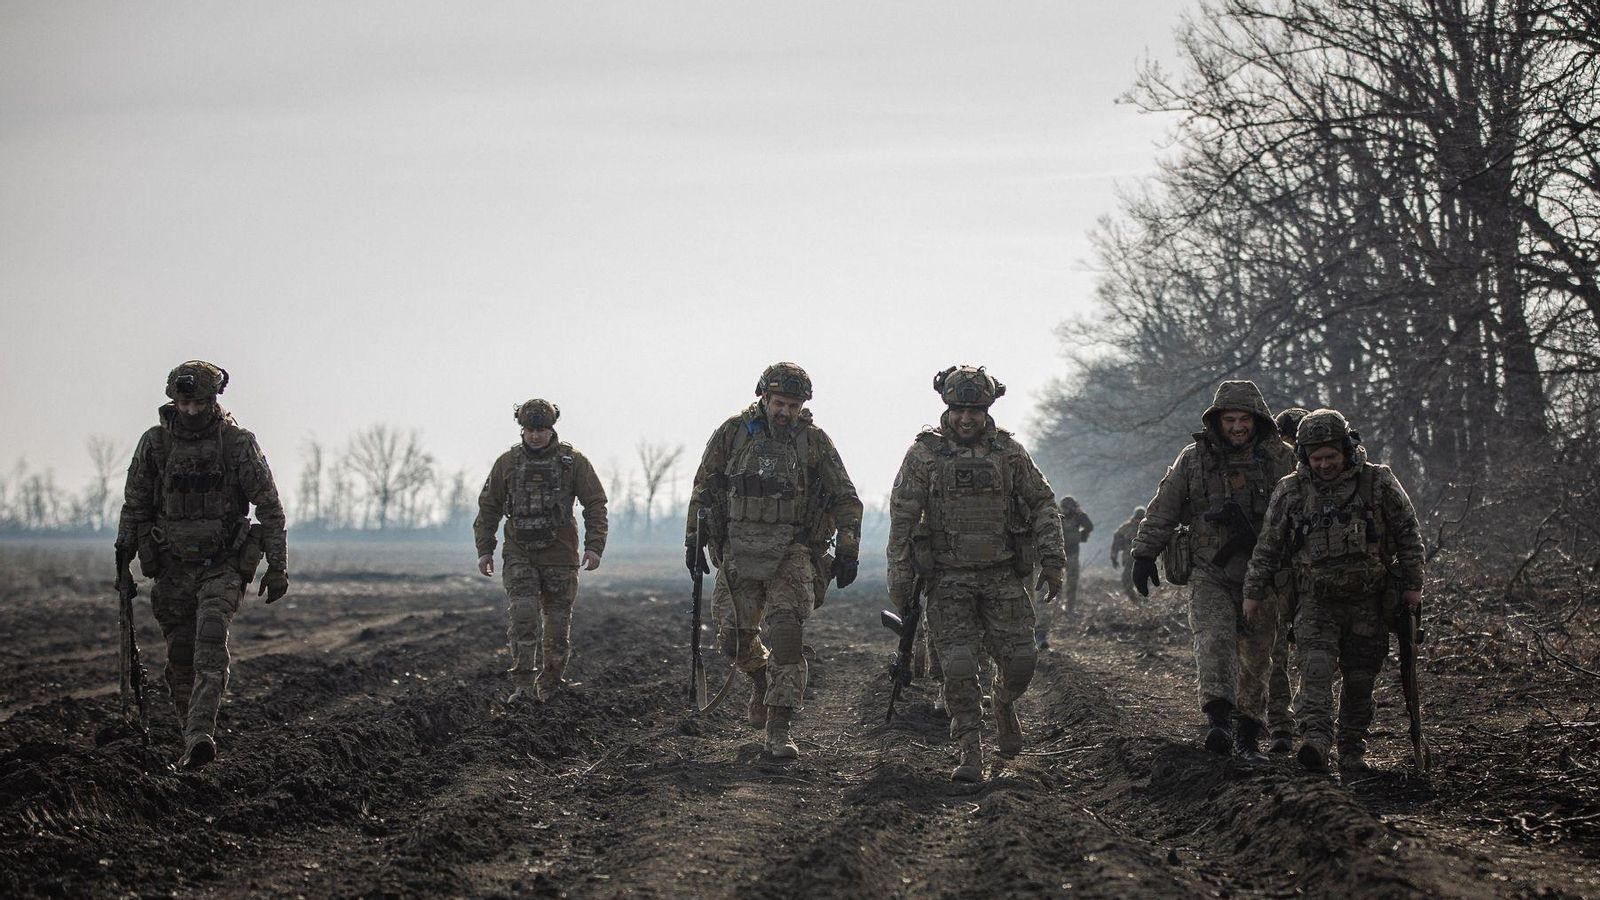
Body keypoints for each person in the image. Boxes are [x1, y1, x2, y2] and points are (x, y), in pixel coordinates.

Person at [887, 365, 1065, 782]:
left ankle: (1002, 702)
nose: (967, 418)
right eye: (959, 409)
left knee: (1022, 660)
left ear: (987, 410)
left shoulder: (1009, 453)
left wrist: (1053, 560)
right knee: (960, 666)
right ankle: (970, 749)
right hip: (948, 579)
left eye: (976, 410)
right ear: (947, 408)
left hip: (1003, 576)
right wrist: (899, 575)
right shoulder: (925, 455)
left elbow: (1042, 503)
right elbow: (903, 517)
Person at [113, 361, 288, 769]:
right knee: (179, 659)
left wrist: (277, 567)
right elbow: (135, 506)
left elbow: (270, 509)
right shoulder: (155, 445)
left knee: (210, 645)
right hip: (171, 567)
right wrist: (123, 563)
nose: (190, 410)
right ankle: (188, 738)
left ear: (214, 400)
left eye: (199, 402)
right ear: (174, 400)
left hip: (222, 565)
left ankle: (199, 735)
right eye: (184, 402)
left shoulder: (237, 444)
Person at [685, 363, 862, 760]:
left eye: (793, 405)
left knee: (786, 637)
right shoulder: (732, 434)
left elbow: (846, 498)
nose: (785, 411)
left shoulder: (813, 442)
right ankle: (761, 678)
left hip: (793, 553)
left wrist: (848, 548)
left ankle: (778, 729)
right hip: (739, 552)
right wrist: (694, 541)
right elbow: (705, 487)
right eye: (779, 403)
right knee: (732, 641)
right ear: (763, 397)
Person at [1244, 409, 1425, 773]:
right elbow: (1268, 546)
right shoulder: (1291, 491)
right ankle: (1317, 740)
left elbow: (1408, 532)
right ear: (1304, 457)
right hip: (1315, 601)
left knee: (1360, 678)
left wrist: (1413, 585)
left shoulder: (1378, 483)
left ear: (1347, 449)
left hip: (1369, 601)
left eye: (1331, 456)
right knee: (1315, 672)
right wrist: (1253, 591)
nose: (1324, 464)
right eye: (1316, 458)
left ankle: (1352, 747)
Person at [1129, 381, 1295, 761]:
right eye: (1229, 419)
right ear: (1217, 421)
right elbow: (1165, 507)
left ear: (1258, 421)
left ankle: (1249, 733)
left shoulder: (1281, 459)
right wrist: (1143, 553)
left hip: (1264, 572)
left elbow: (1301, 509)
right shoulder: (1194, 459)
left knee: (1257, 654)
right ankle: (1219, 719)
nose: (1237, 427)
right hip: (1210, 570)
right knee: (1214, 638)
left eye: (1244, 419)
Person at [474, 399, 608, 703]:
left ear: (552, 429)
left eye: (542, 429)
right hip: (519, 552)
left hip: (560, 555)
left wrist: (594, 546)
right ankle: (522, 686)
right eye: (530, 429)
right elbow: (488, 508)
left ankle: (551, 684)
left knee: (558, 624)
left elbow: (595, 503)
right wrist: (485, 550)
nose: (535, 435)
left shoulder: (573, 463)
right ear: (522, 429)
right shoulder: (506, 464)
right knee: (523, 617)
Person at [1266, 406, 1310, 752]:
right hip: (1280, 576)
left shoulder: (1332, 474)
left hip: (1316, 579)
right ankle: (1281, 723)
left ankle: (1307, 719)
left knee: (1315, 653)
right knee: (1275, 652)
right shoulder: (1275, 474)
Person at [1035, 496, 1093, 647]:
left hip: (1072, 554)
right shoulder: (1056, 516)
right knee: (1055, 586)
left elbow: (1089, 526)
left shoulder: (1077, 517)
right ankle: (1054, 608)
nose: (1067, 510)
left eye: (1070, 508)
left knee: (1072, 583)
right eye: (1065, 508)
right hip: (1058, 554)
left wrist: (1081, 516)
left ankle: (1069, 608)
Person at [1109, 506, 1146, 604]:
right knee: (1126, 583)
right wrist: (1113, 557)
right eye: (1137, 519)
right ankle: (1137, 603)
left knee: (1143, 584)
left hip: (1145, 560)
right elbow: (1116, 540)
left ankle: (1144, 604)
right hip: (1129, 560)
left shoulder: (1148, 527)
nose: (1138, 521)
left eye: (1140, 519)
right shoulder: (1126, 527)